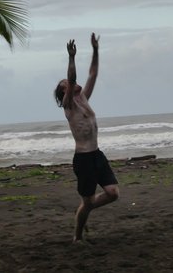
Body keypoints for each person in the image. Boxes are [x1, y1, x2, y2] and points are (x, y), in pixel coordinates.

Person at [54, 33, 119, 242]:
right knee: (88, 201)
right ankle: (78, 236)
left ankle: (86, 208)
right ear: (65, 91)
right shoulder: (69, 105)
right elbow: (72, 78)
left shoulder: (83, 98)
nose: (72, 83)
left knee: (113, 193)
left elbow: (93, 74)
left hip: (97, 155)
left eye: (69, 82)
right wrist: (72, 57)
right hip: (83, 159)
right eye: (66, 84)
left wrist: (96, 50)